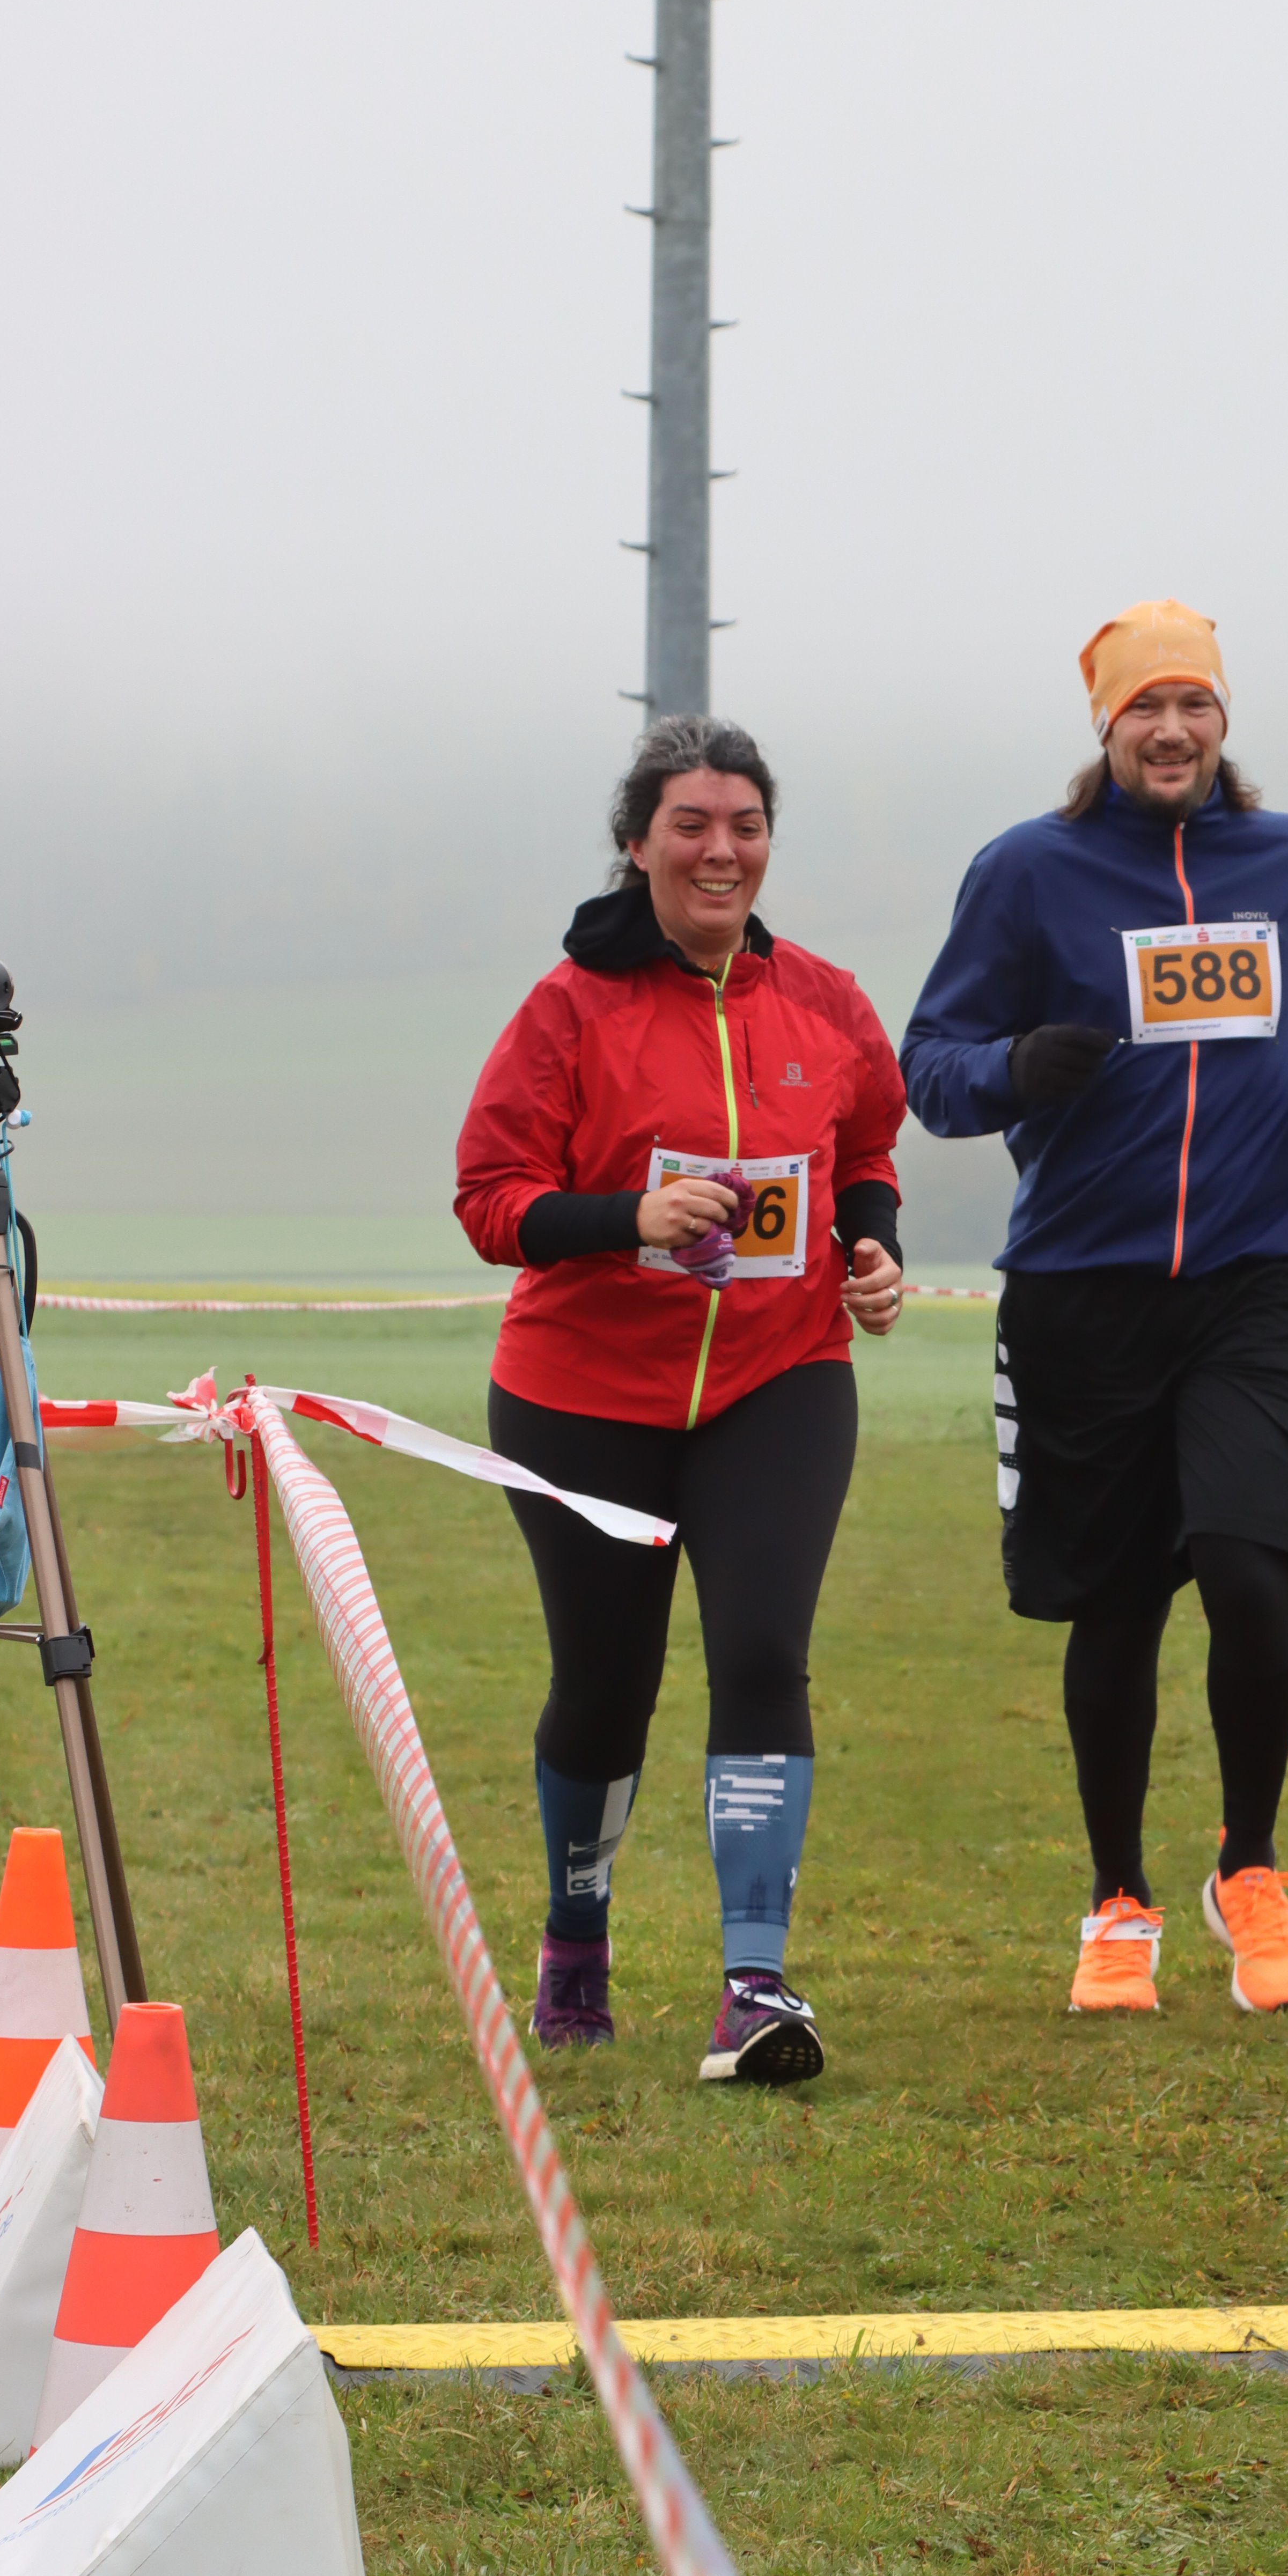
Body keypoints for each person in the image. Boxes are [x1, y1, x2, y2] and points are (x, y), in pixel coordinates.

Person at [900, 600, 1288, 2020]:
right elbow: (930, 1064)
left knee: (1248, 1573)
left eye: (1195, 706)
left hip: (1257, 1277)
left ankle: (1250, 1869)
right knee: (1115, 1609)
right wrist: (1016, 1070)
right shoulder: (1027, 872)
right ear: (1106, 728)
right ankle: (1118, 1903)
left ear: (1224, 721)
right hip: (1083, 1287)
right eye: (1144, 710)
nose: (1172, 732)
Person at [455, 714, 906, 2079]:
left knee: (763, 1654)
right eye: (693, 826)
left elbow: (866, 1145)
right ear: (638, 844)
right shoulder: (567, 1009)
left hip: (781, 1376)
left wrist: (870, 1247)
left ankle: (754, 1988)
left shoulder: (824, 1000)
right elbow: (491, 1200)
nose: (723, 851)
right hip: (582, 1394)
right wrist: (629, 1219)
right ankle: (575, 1942)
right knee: (607, 1687)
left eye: (746, 826)